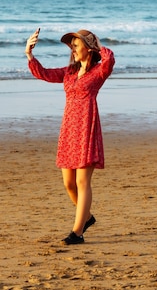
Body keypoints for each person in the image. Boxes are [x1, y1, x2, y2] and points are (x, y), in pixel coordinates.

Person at [25, 28, 115, 245]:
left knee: (83, 181)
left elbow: (109, 58)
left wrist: (97, 44)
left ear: (89, 48)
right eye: (71, 45)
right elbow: (44, 74)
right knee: (68, 183)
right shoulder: (69, 72)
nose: (72, 49)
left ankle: (77, 233)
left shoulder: (99, 71)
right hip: (69, 129)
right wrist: (29, 54)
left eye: (76, 45)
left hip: (86, 127)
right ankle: (87, 217)